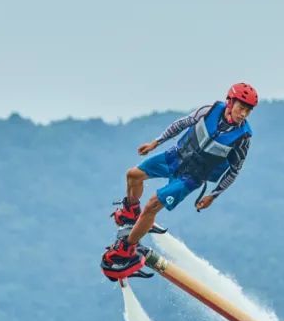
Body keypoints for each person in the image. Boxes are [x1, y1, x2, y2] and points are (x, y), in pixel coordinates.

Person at [101, 82, 258, 279]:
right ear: (230, 102)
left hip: (191, 177)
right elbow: (180, 124)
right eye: (241, 108)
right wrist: (155, 143)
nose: (243, 114)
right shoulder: (209, 111)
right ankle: (131, 213)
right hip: (176, 156)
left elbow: (235, 170)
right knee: (133, 175)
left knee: (152, 205)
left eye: (248, 111)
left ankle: (127, 250)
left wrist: (213, 195)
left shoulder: (243, 137)